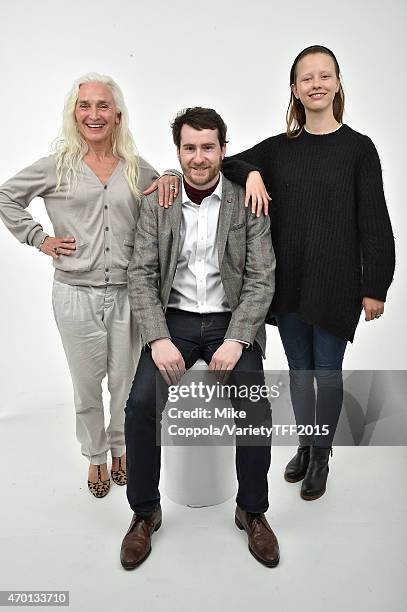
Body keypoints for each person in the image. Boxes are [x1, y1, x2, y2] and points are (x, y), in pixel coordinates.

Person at [153, 46, 396, 501]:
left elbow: (375, 222)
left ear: (338, 83)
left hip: (336, 285)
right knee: (300, 370)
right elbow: (216, 161)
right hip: (288, 286)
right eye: (307, 78)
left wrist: (375, 286)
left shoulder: (359, 149)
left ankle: (322, 453)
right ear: (295, 89)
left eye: (325, 76)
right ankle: (306, 444)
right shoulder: (280, 150)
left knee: (328, 372)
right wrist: (250, 175)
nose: (316, 84)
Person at [120, 107, 279, 569]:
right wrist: (156, 337)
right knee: (141, 404)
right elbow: (141, 273)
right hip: (175, 322)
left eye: (208, 147)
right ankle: (144, 513)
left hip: (230, 321)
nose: (198, 156)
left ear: (223, 150)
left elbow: (261, 276)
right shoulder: (158, 201)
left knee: (255, 405)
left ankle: (252, 509)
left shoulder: (245, 199)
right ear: (178, 151)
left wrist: (240, 337)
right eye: (189, 148)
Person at [0, 73, 159, 498]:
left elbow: (168, 197)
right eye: (85, 106)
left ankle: (122, 448)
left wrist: (173, 181)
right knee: (87, 385)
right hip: (73, 295)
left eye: (103, 106)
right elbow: (6, 195)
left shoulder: (137, 168)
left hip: (128, 295)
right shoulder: (58, 166)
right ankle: (96, 456)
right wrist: (40, 239)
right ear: (75, 113)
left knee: (125, 384)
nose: (94, 114)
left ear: (118, 115)